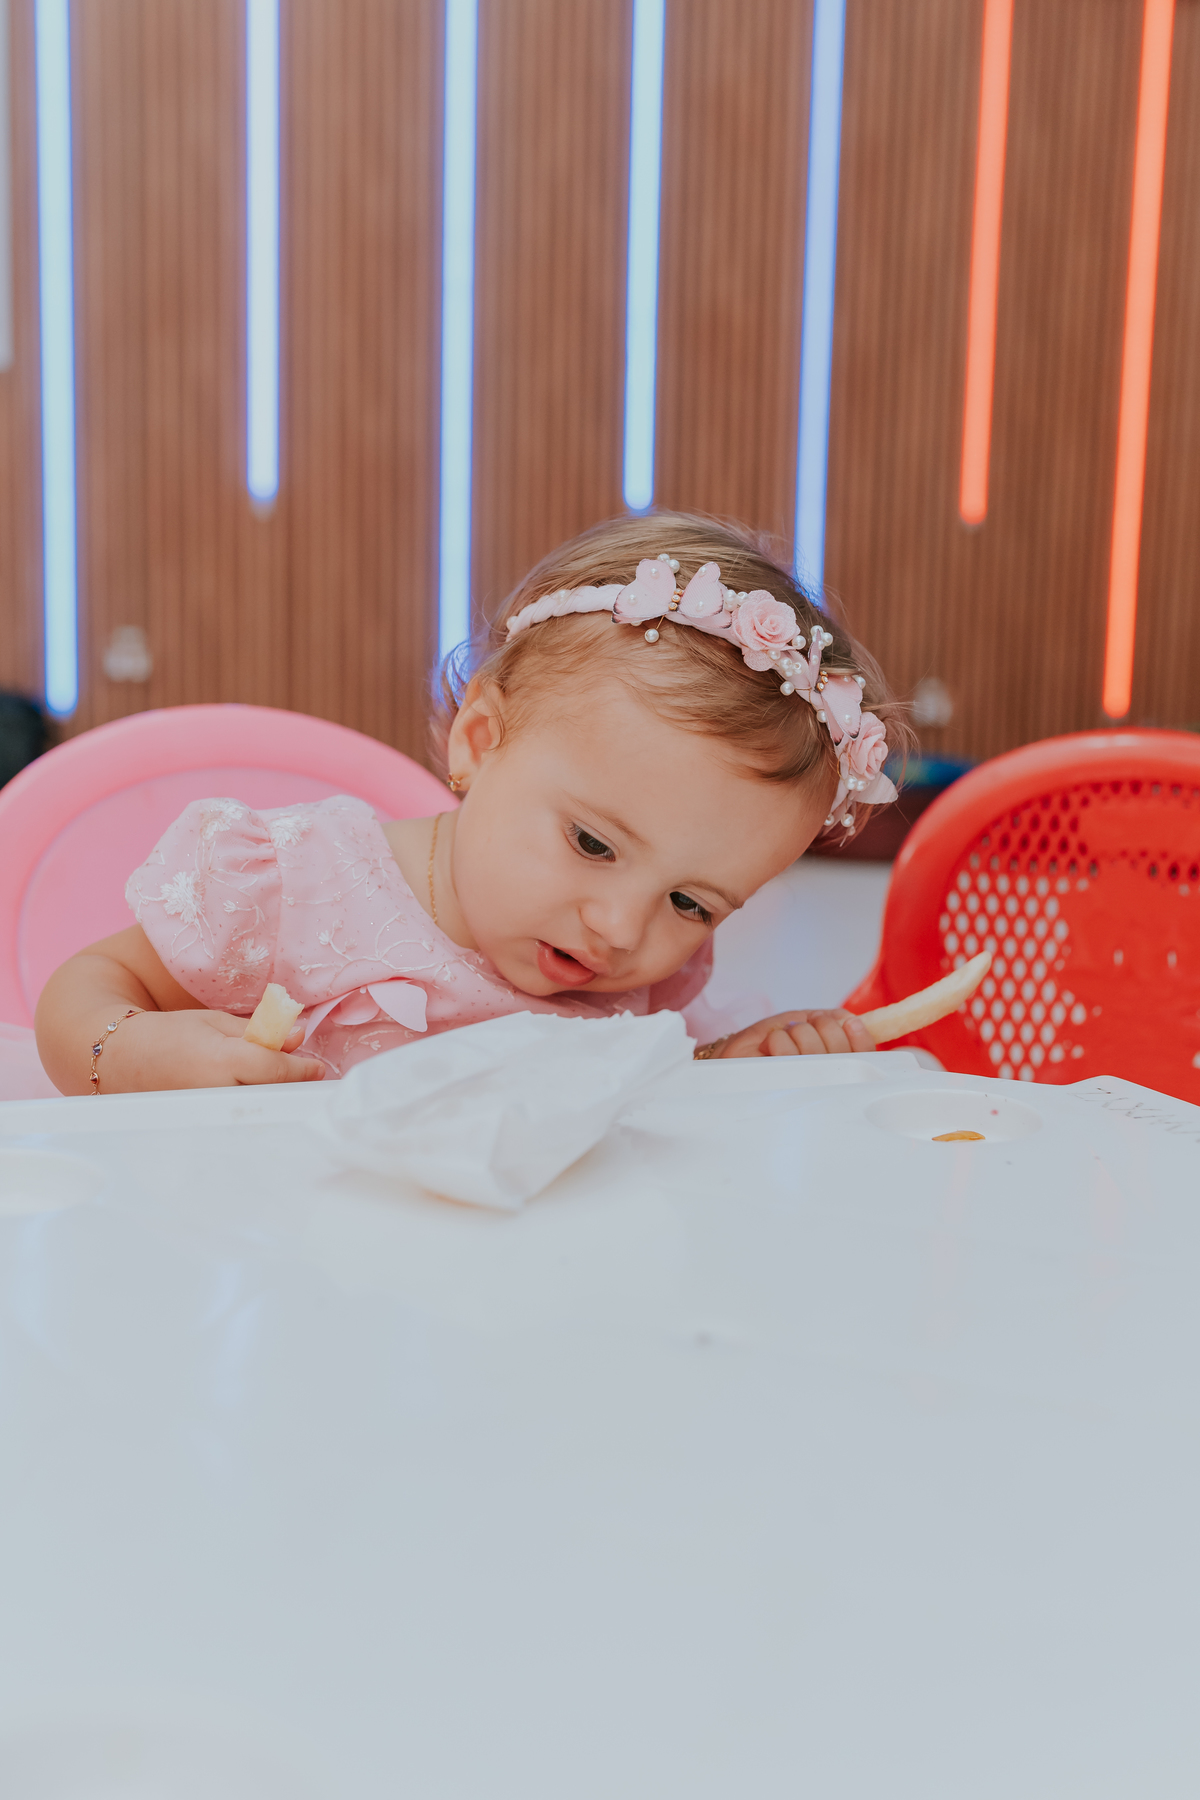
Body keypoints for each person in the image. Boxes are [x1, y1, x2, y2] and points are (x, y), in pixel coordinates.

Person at [34, 513, 904, 1095]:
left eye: (690, 903)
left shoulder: (648, 986)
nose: (621, 930)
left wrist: (722, 1069)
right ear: (481, 741)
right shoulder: (287, 886)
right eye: (593, 845)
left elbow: (619, 1120)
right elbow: (84, 991)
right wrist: (133, 1052)